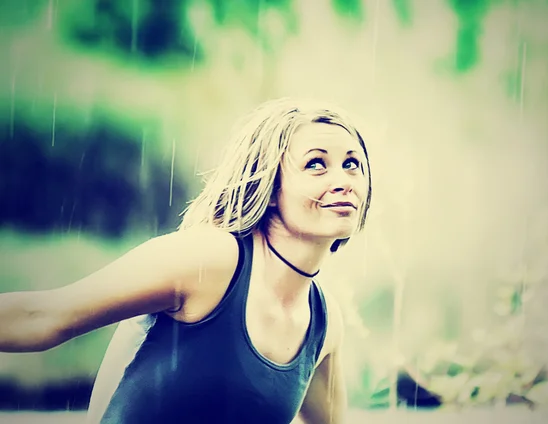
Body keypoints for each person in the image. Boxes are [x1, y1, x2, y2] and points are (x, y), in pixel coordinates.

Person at [0, 97, 373, 423]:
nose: (343, 181)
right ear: (270, 188)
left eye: (352, 163)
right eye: (316, 164)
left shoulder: (324, 323)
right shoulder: (208, 262)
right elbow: (43, 317)